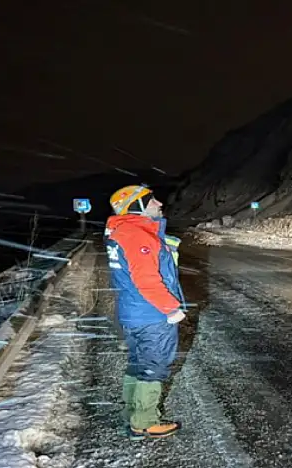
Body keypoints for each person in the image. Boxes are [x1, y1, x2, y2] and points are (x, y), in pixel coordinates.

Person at [104, 184, 186, 440]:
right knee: (154, 366)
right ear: (135, 206)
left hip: (133, 312)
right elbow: (147, 281)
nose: (159, 203)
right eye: (151, 200)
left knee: (138, 363)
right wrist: (171, 309)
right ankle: (145, 421)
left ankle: (131, 413)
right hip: (151, 315)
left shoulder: (122, 232)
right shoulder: (137, 235)